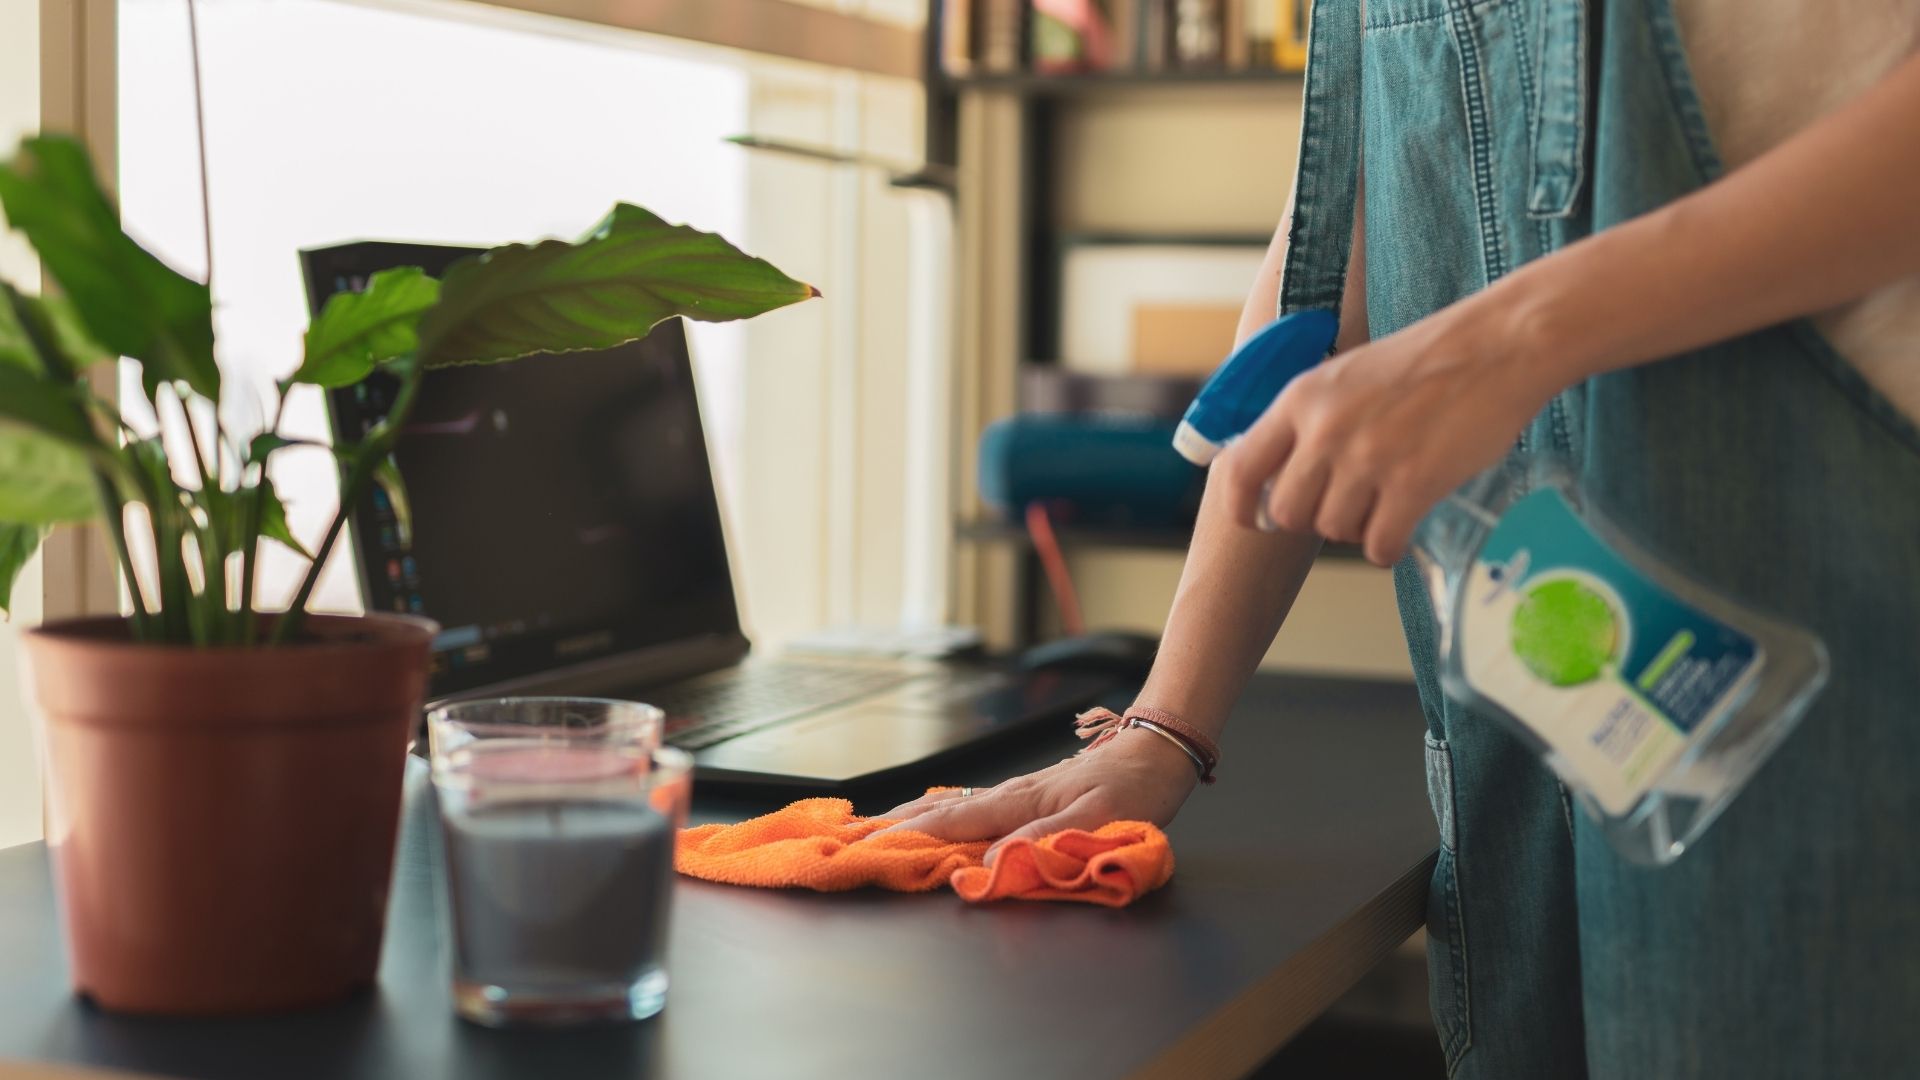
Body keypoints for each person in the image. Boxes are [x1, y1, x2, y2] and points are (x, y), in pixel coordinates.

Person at [881, 1, 1920, 1076]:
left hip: (1845, 679)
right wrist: (1165, 723)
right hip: (1524, 743)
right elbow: (1337, 242)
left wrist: (1506, 339)